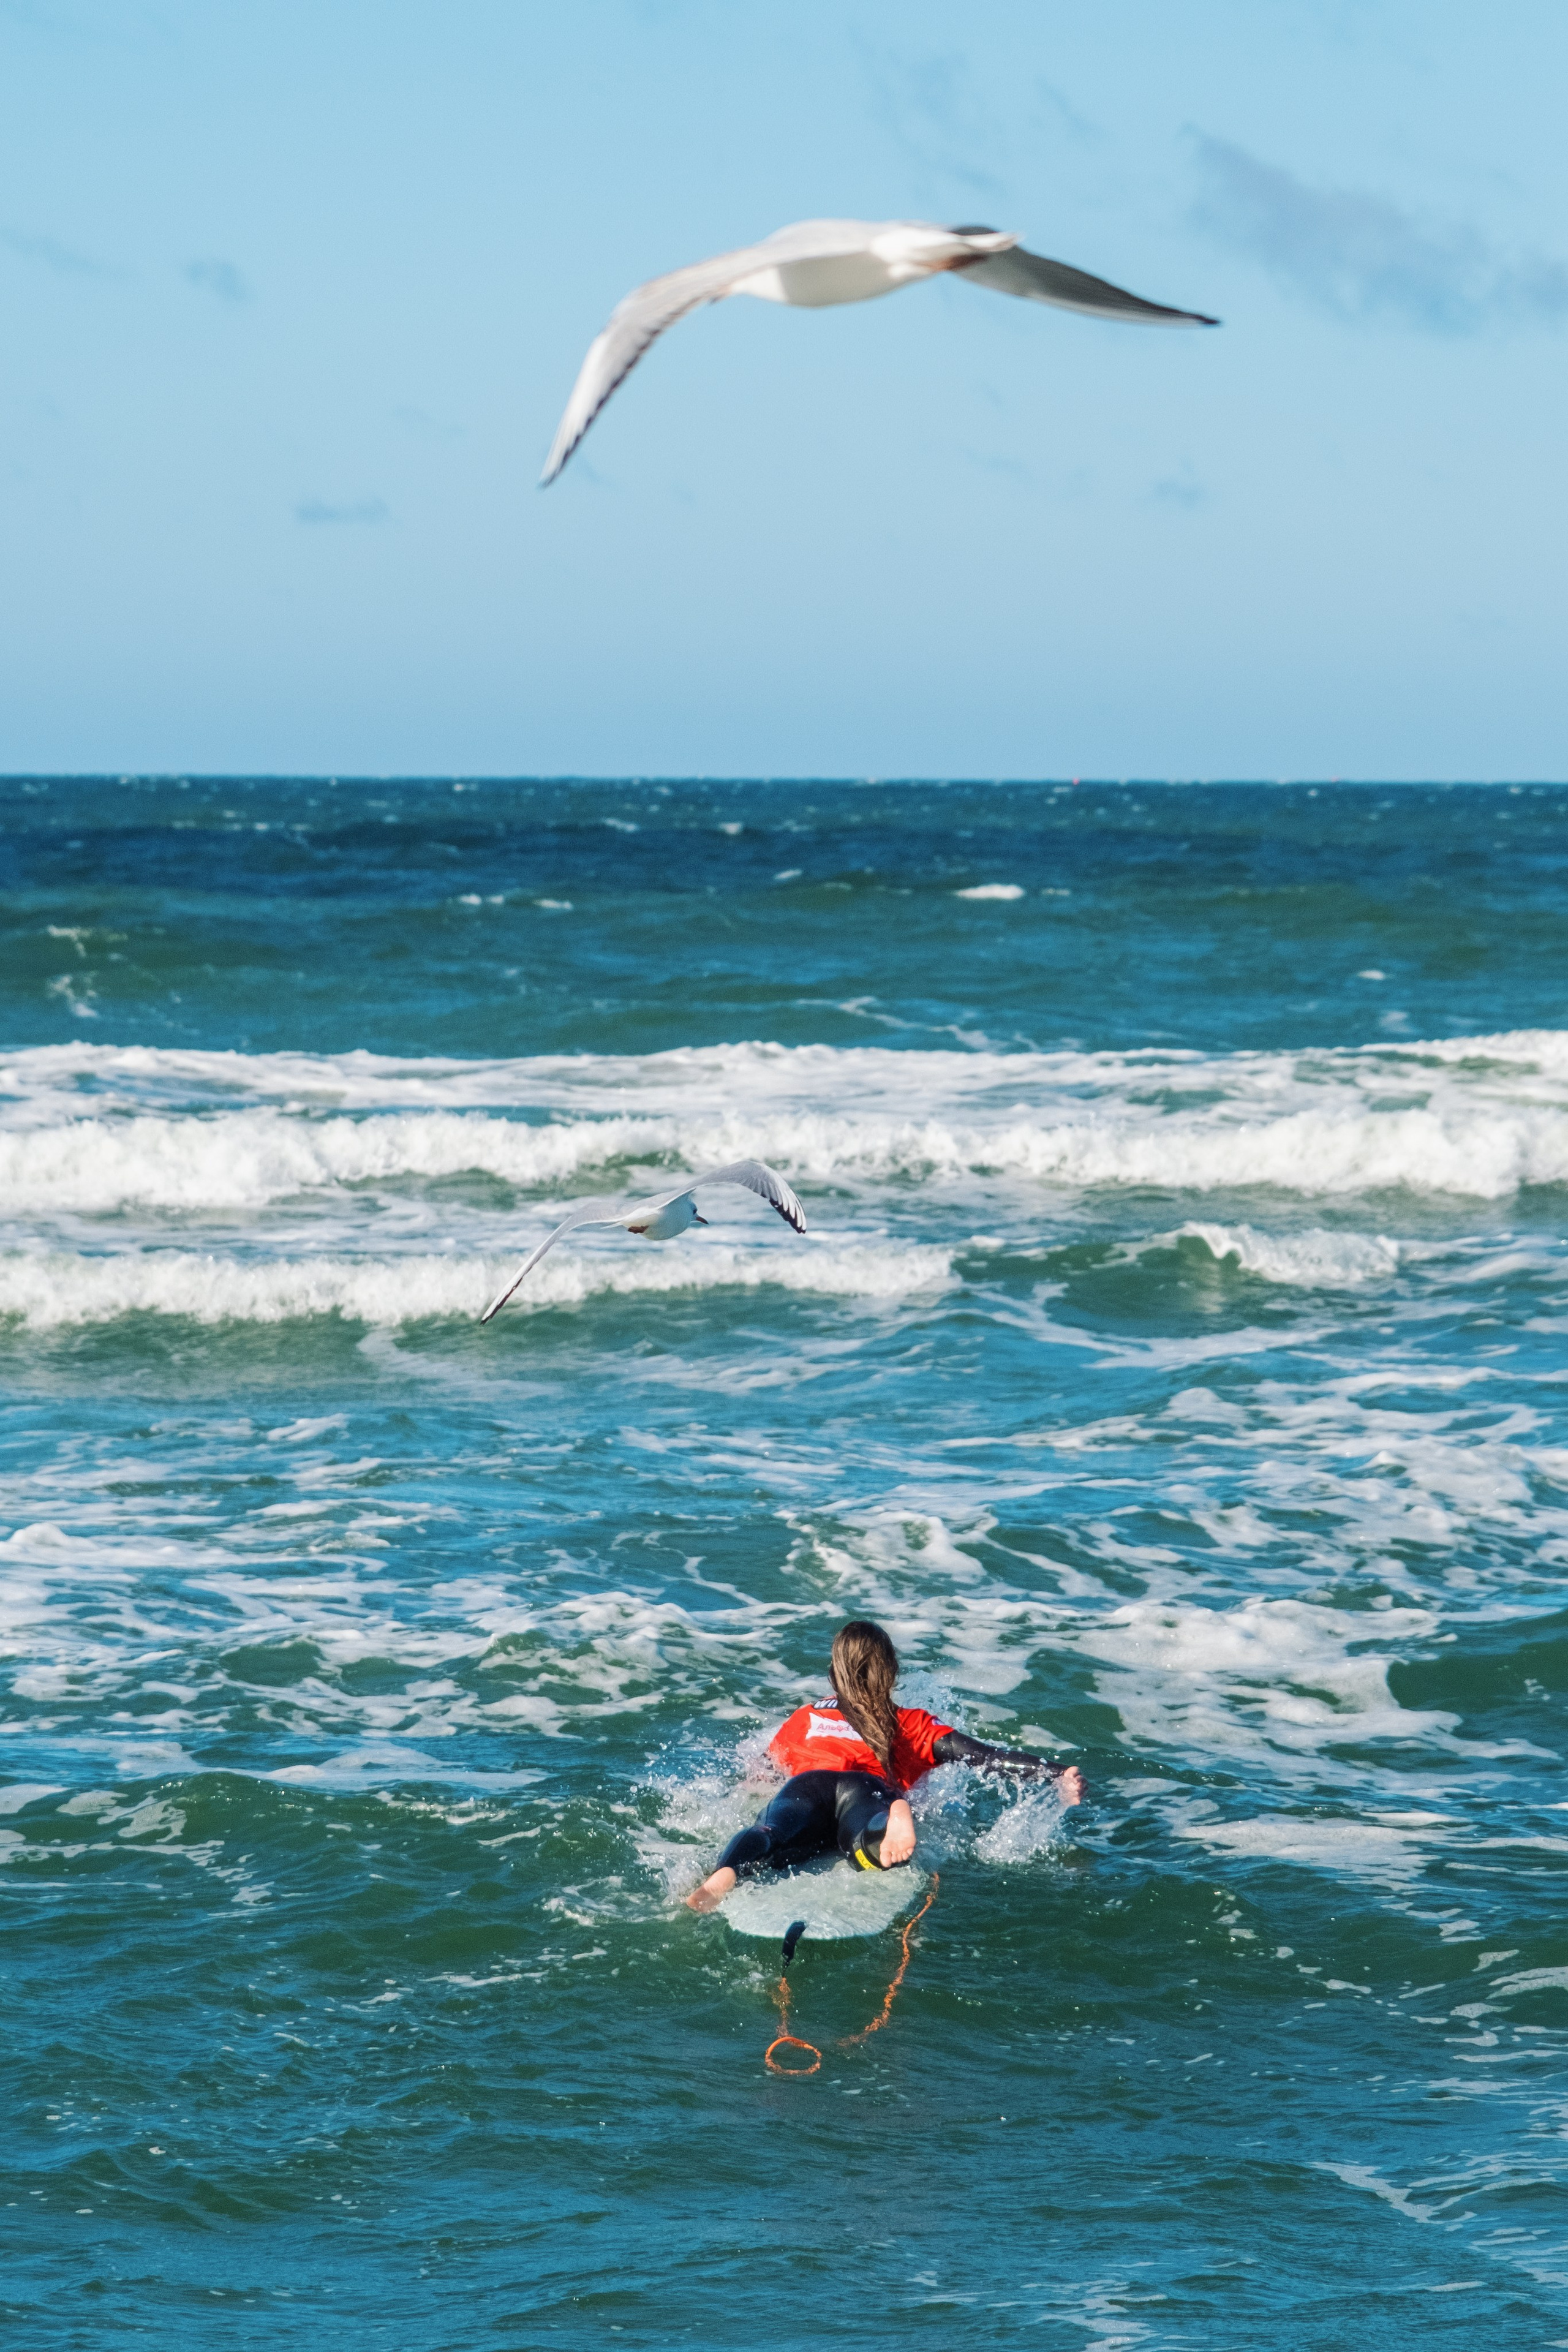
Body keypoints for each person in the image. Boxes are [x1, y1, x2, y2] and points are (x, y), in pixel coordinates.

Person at [684, 1618, 1085, 1911]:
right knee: (867, 1848)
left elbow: (762, 1775)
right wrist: (1057, 1774)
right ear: (890, 1674)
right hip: (866, 1790)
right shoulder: (911, 1724)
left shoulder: (806, 1717)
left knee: (768, 1833)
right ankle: (891, 1815)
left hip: (806, 1788)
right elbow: (988, 1758)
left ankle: (727, 1873)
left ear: (833, 1675)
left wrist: (745, 1791)